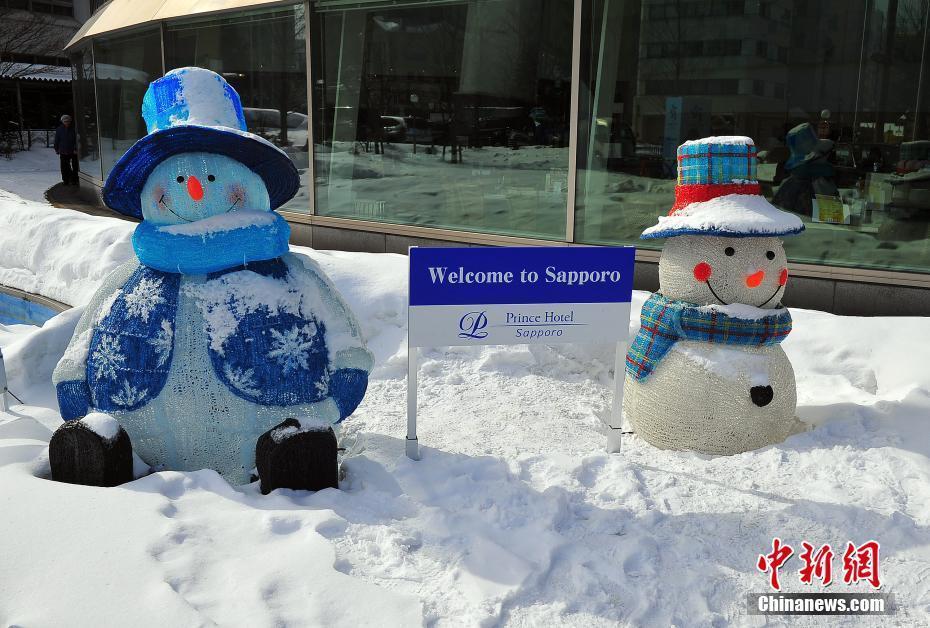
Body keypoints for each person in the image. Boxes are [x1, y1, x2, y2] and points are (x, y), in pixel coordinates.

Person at [54, 114, 79, 185]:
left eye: (68, 121)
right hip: (63, 150)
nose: (67, 123)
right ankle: (66, 180)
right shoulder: (59, 129)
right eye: (65, 121)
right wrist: (56, 148)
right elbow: (57, 140)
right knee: (64, 167)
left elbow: (77, 140)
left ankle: (75, 180)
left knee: (75, 166)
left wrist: (75, 148)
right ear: (62, 122)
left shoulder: (74, 129)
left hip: (73, 151)